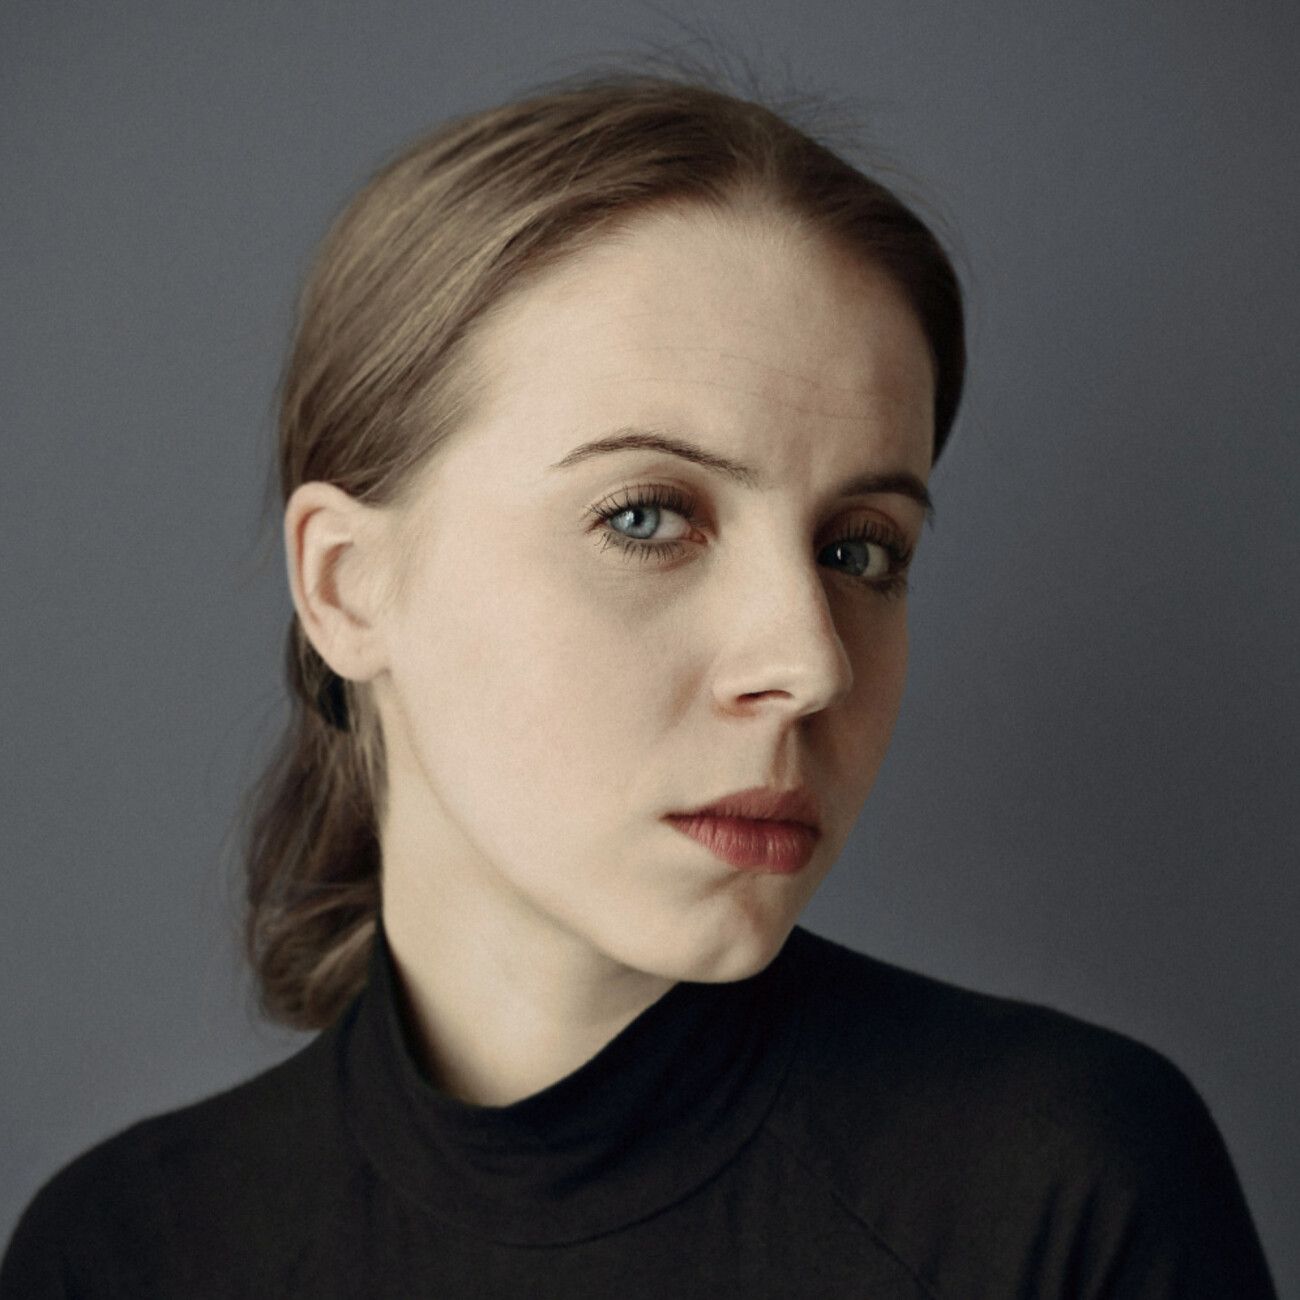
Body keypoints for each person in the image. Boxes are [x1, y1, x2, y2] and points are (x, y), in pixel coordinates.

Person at [0, 73, 1276, 1298]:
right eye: (646, 517)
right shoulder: (118, 1254)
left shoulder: (1061, 1193)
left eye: (858, 551)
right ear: (346, 586)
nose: (809, 662)